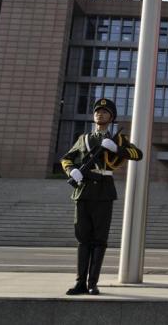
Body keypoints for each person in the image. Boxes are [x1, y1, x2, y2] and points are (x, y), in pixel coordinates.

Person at [60, 98, 142, 295]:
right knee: (83, 239)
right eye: (97, 111)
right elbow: (66, 158)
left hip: (104, 192)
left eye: (105, 112)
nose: (100, 114)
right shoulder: (84, 139)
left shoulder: (117, 139)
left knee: (99, 239)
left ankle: (92, 283)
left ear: (111, 118)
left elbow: (137, 154)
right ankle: (80, 282)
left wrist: (116, 149)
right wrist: (72, 171)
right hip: (84, 190)